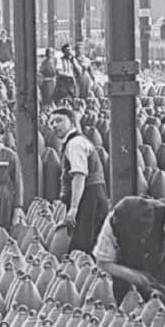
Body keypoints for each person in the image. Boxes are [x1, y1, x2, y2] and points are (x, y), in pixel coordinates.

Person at [93, 193, 165, 317]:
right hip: (126, 277)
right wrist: (131, 275)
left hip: (161, 270)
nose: (141, 242)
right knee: (129, 320)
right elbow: (102, 262)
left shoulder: (164, 214)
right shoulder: (112, 224)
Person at [49, 107, 109, 256]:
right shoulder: (76, 141)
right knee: (91, 244)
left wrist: (73, 209)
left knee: (82, 248)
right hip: (91, 197)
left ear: (72, 122)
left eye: (59, 120)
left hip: (88, 198)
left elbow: (79, 175)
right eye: (51, 123)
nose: (55, 125)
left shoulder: (75, 144)